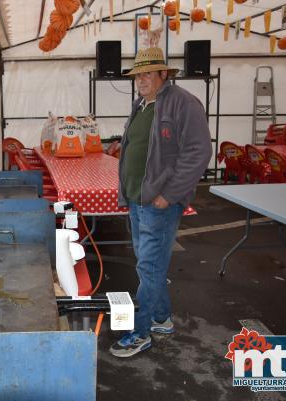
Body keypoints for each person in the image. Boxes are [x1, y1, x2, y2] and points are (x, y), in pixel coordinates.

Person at [110, 47, 212, 358]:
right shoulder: (142, 104)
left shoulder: (182, 103)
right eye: (137, 74)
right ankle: (161, 318)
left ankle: (140, 333)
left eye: (147, 73)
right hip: (137, 199)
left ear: (163, 74)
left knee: (150, 266)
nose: (140, 79)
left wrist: (169, 195)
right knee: (150, 265)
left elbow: (199, 152)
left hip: (159, 203)